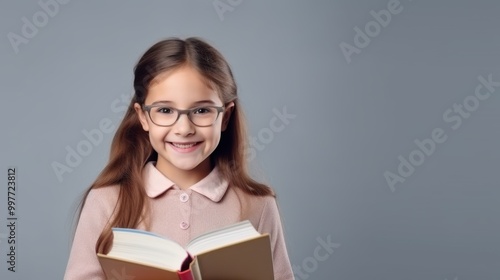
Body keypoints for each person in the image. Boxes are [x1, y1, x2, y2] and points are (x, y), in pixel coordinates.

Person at [64, 37, 294, 279]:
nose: (184, 128)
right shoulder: (105, 201)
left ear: (225, 117)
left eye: (202, 110)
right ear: (143, 117)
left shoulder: (258, 204)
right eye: (165, 110)